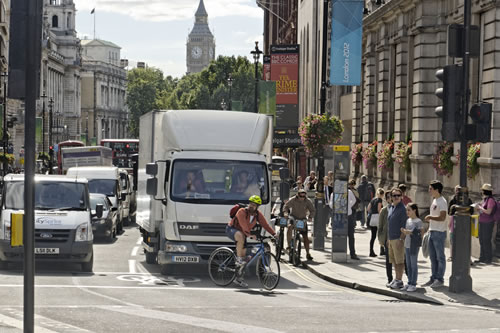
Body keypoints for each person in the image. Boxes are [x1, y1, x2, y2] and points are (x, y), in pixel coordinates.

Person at [226, 195, 277, 287]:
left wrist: (274, 234)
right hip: (232, 229)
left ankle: (238, 279)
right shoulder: (242, 211)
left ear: (257, 206)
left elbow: (265, 225)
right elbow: (243, 225)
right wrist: (250, 235)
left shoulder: (258, 214)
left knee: (244, 259)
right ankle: (238, 259)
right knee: (240, 237)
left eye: (254, 205)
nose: (251, 206)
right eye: (251, 204)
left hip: (243, 234)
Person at [423, 180, 448, 288]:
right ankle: (433, 277)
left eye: (431, 189)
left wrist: (430, 217)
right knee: (432, 257)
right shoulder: (435, 200)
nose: (429, 190)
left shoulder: (442, 201)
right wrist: (429, 228)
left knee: (440, 257)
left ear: (437, 189)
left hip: (439, 232)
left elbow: (442, 217)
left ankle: (440, 279)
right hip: (432, 231)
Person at [283, 189, 316, 261]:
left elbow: (312, 210)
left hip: (302, 219)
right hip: (293, 217)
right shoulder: (293, 199)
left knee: (305, 237)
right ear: (298, 195)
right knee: (289, 227)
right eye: (301, 196)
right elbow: (286, 206)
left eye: (304, 196)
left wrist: (310, 217)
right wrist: (285, 213)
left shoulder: (308, 201)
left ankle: (308, 253)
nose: (302, 198)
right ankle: (289, 245)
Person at [387, 187, 408, 289]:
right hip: (391, 238)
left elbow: (404, 225)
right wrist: (388, 239)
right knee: (394, 261)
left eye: (398, 195)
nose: (396, 197)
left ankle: (399, 280)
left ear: (401, 197)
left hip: (398, 238)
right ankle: (396, 279)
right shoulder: (391, 207)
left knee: (399, 261)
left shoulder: (402, 209)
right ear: (391, 197)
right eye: (394, 195)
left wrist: (401, 239)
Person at [400, 203, 424, 292]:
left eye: (409, 210)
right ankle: (409, 282)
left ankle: (413, 283)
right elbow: (406, 233)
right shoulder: (408, 220)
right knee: (408, 264)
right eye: (406, 210)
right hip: (407, 244)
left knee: (413, 264)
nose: (407, 212)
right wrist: (403, 233)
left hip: (414, 245)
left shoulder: (418, 221)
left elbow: (421, 233)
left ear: (414, 210)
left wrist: (410, 232)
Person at [475, 183, 496, 264]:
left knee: (486, 240)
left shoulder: (490, 200)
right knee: (481, 240)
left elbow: (488, 211)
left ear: (485, 191)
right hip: (482, 221)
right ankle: (482, 257)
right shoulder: (485, 199)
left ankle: (488, 258)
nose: (482, 192)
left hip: (488, 223)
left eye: (482, 191)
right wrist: (478, 208)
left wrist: (480, 208)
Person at [378, 191, 393, 286]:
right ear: (386, 199)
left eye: (391, 197)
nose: (390, 199)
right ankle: (390, 279)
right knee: (388, 261)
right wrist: (381, 240)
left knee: (401, 261)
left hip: (397, 239)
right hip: (387, 239)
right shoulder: (384, 210)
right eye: (388, 197)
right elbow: (380, 226)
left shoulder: (399, 209)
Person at [345, 180, 360, 260]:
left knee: (351, 235)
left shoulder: (349, 192)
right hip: (340, 217)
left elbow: (354, 200)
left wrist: (348, 206)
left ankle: (352, 253)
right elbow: (331, 203)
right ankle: (341, 252)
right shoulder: (335, 193)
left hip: (349, 216)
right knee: (340, 235)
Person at [367, 188, 384, 257]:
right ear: (382, 194)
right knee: (380, 234)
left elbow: (368, 208)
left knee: (373, 236)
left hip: (372, 218)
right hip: (377, 217)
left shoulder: (373, 199)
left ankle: (371, 251)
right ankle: (382, 250)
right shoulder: (380, 200)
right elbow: (379, 209)